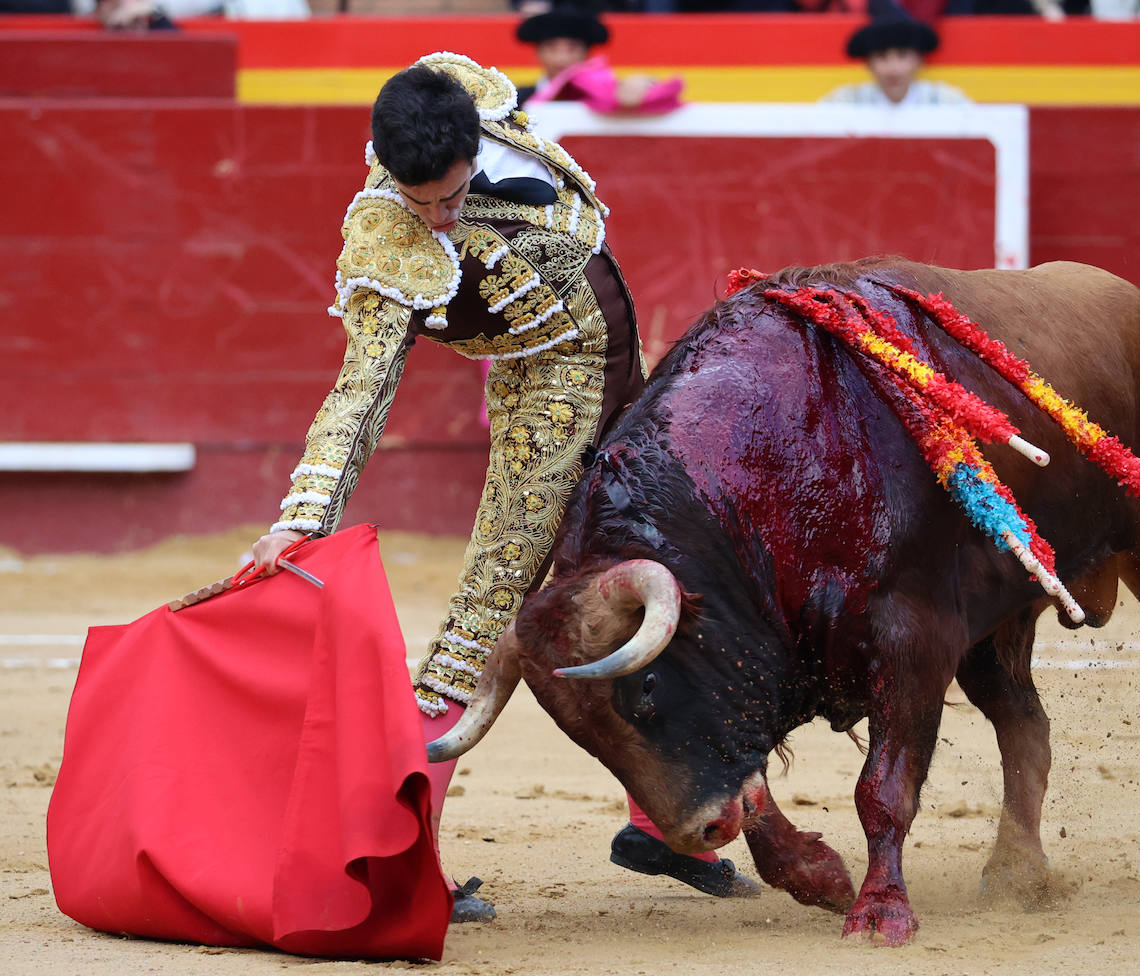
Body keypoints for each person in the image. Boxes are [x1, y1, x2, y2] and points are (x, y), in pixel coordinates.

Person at [249, 52, 756, 922]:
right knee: (489, 614)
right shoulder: (386, 242)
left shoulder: (469, 95)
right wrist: (301, 518)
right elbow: (358, 395)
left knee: (667, 576)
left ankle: (658, 823)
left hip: (621, 379)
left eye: (451, 197)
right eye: (423, 205)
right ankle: (397, 859)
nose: (440, 220)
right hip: (549, 412)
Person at [515, 3, 684, 114]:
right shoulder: (517, 99)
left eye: (572, 48)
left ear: (586, 54)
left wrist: (646, 82)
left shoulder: (607, 93)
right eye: (552, 48)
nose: (562, 58)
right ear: (538, 53)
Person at [820, 13, 972, 108]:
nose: (893, 68)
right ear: (869, 64)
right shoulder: (842, 103)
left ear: (919, 61)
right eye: (881, 57)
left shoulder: (948, 103)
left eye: (903, 55)